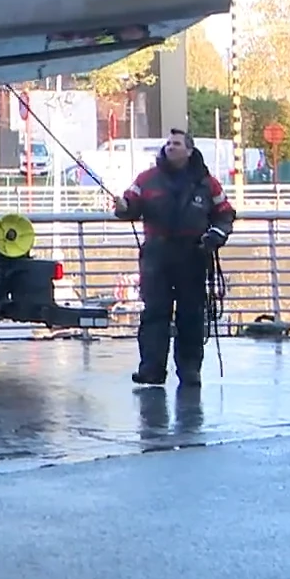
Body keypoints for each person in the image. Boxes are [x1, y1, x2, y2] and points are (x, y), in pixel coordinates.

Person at [112, 128, 236, 387]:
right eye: (168, 143)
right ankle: (151, 370)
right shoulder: (147, 179)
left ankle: (190, 371)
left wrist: (215, 235)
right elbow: (130, 205)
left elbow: (225, 213)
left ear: (189, 151)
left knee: (191, 315)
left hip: (193, 255)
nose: (170, 147)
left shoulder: (207, 182)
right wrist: (123, 207)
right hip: (157, 255)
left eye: (176, 143)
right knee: (155, 312)